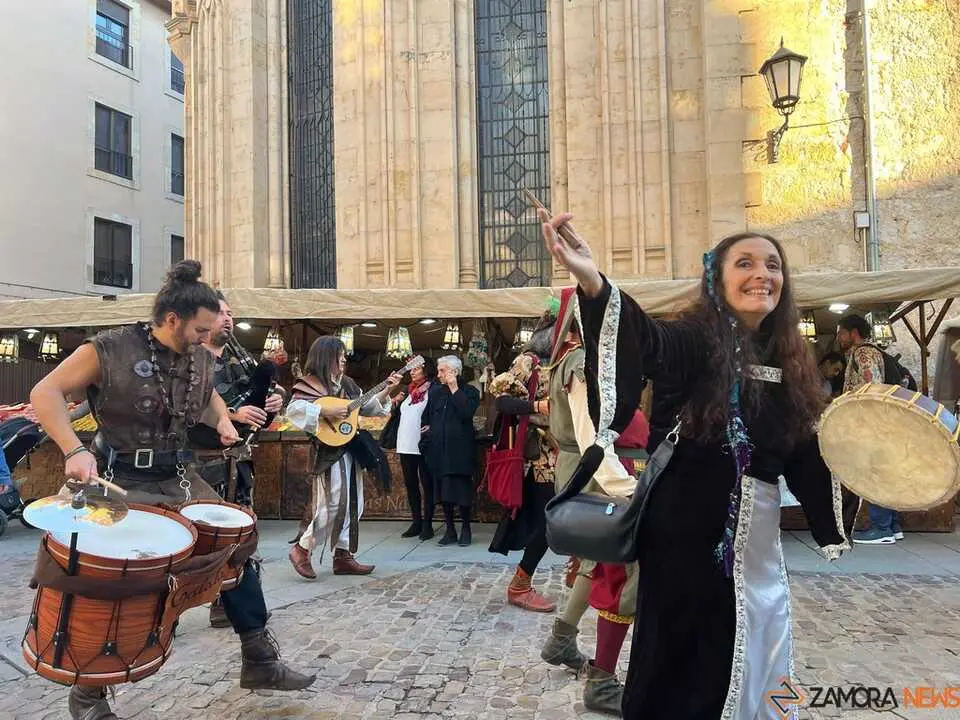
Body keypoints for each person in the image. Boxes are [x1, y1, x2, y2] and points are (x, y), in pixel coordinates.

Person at [541, 210, 849, 719]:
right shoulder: (693, 338)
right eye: (745, 263)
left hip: (758, 545)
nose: (762, 274)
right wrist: (593, 281)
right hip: (687, 537)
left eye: (772, 265)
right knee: (687, 653)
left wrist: (855, 474)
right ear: (717, 279)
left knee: (762, 630)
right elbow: (649, 341)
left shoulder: (792, 359)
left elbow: (799, 448)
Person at [29, 260, 315, 720]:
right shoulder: (108, 347)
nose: (208, 338)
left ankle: (260, 660)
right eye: (201, 329)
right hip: (118, 480)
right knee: (103, 577)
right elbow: (46, 392)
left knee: (237, 544)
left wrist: (223, 419)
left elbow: (206, 397)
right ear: (171, 320)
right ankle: (88, 697)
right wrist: (71, 450)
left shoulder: (199, 354)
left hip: (178, 475)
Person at [538, 287, 648, 715]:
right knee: (617, 568)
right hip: (592, 471)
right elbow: (590, 437)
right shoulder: (577, 365)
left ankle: (562, 639)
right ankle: (600, 678)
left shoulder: (568, 360)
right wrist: (629, 489)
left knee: (597, 564)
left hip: (584, 469)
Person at [189, 292, 287, 627]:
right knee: (203, 537)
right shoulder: (189, 358)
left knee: (241, 535)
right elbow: (184, 407)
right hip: (198, 464)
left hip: (238, 460)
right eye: (221, 314)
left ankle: (228, 604)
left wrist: (274, 400)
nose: (228, 319)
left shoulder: (237, 354)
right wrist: (232, 413)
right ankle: (170, 607)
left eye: (231, 313)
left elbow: (262, 389)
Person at [285, 336, 401, 578]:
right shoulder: (310, 384)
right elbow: (294, 411)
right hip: (328, 451)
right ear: (326, 357)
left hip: (351, 447)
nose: (343, 360)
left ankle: (343, 555)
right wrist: (324, 409)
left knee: (354, 502)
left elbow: (368, 408)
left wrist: (387, 388)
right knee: (333, 503)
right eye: (340, 355)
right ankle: (302, 548)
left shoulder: (347, 384)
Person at [487, 313, 558, 613]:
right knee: (548, 521)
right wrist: (538, 405)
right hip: (541, 457)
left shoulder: (565, 363)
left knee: (560, 516)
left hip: (563, 454)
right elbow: (502, 400)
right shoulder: (529, 360)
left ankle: (582, 572)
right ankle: (520, 583)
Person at [836, 314, 903, 544]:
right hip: (879, 421)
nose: (839, 338)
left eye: (841, 332)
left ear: (853, 332)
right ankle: (892, 526)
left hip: (871, 422)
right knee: (884, 471)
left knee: (874, 472)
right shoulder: (870, 352)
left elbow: (871, 387)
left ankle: (881, 527)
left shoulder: (863, 353)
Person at [421, 355, 480, 546]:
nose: (438, 374)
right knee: (443, 494)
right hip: (439, 450)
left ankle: (466, 528)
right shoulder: (436, 392)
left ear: (454, 372)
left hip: (460, 451)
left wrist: (454, 388)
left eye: (442, 370)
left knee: (461, 493)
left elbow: (465, 412)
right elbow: (428, 416)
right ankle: (450, 530)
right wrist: (428, 430)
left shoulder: (470, 391)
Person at [394, 356, 437, 540]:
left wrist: (432, 427)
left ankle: (428, 524)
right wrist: (395, 402)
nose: (411, 371)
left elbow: (437, 413)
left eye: (416, 368)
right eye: (410, 368)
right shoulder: (407, 391)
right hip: (405, 444)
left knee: (428, 485)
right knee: (411, 484)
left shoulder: (433, 390)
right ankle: (416, 522)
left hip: (424, 445)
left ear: (426, 370)